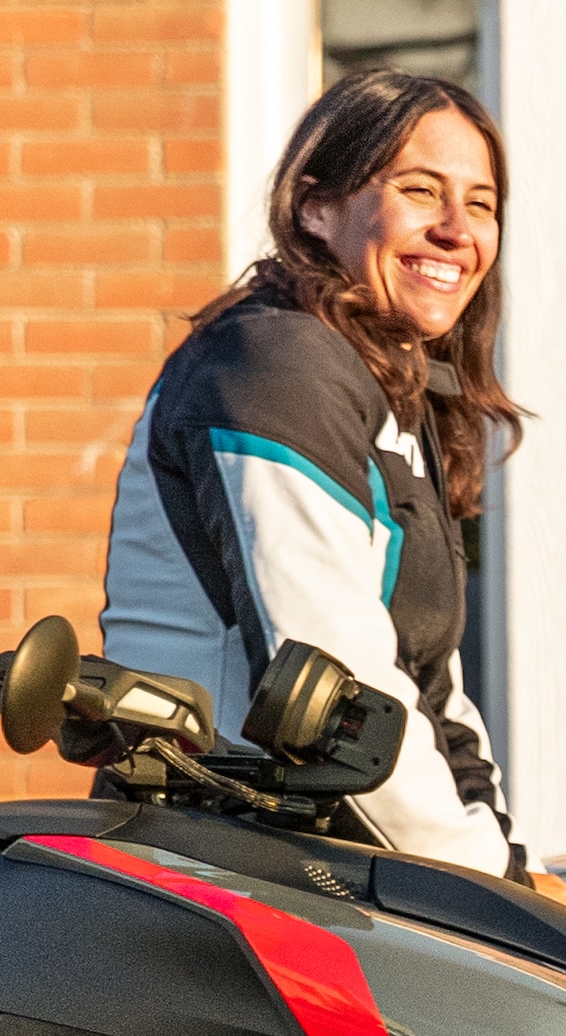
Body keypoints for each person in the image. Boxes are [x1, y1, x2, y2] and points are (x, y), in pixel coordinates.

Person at [105, 67, 534, 876]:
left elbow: (429, 687)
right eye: (420, 190)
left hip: (316, 857)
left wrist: (503, 853)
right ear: (316, 206)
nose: (456, 229)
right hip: (217, 871)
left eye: (480, 204)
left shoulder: (387, 390)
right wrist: (489, 881)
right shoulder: (278, 364)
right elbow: (330, 684)